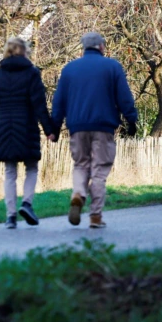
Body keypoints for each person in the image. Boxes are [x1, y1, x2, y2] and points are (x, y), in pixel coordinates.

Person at [51, 32, 138, 229]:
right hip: (103, 127)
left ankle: (78, 194)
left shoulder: (69, 69)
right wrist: (131, 120)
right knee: (99, 171)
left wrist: (54, 127)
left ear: (84, 48)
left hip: (77, 127)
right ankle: (95, 216)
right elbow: (124, 97)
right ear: (101, 47)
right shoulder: (112, 67)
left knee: (81, 164)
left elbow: (59, 102)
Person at [0, 37, 57, 229]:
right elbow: (39, 105)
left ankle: (10, 216)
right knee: (31, 167)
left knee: (10, 172)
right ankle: (26, 203)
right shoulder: (32, 74)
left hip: (4, 129)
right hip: (26, 127)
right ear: (24, 51)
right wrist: (49, 130)